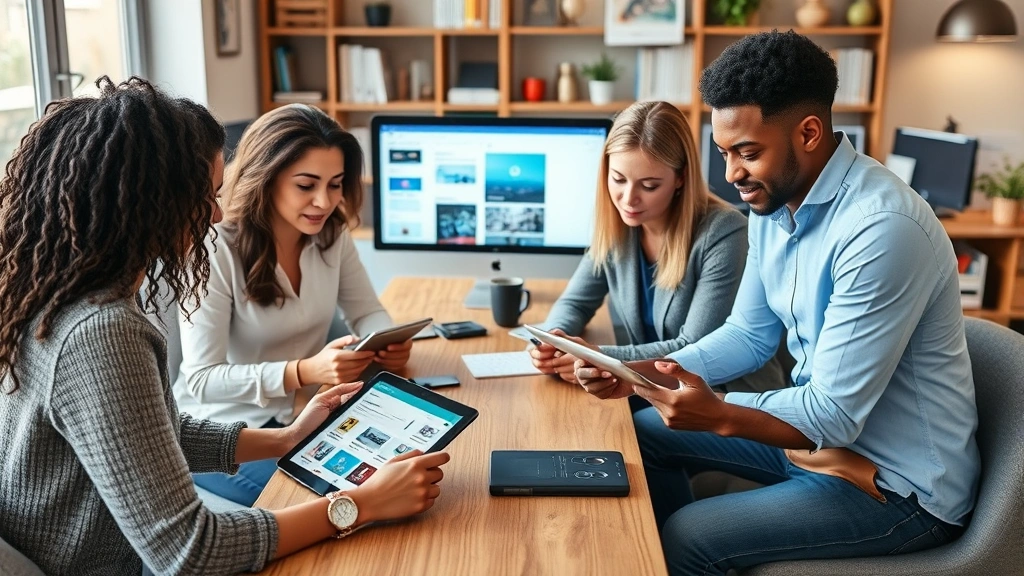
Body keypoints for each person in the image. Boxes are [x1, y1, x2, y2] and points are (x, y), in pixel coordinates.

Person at [0, 77, 448, 576]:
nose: (215, 212)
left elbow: (150, 435)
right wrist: (359, 505)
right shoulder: (102, 333)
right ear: (152, 199)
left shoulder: (54, 297)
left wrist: (286, 438)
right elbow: (190, 551)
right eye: (206, 195)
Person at [574, 32, 979, 575]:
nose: (731, 174)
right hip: (819, 447)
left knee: (691, 536)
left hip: (899, 487)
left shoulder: (881, 229)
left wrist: (718, 414)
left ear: (808, 133)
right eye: (723, 152)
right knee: (645, 434)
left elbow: (830, 415)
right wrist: (639, 372)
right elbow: (748, 334)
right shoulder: (772, 206)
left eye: (747, 152)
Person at [174, 104, 415, 506]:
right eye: (306, 185)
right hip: (225, 430)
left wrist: (386, 340)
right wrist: (302, 371)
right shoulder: (216, 246)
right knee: (338, 499)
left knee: (398, 463)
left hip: (305, 413)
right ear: (266, 180)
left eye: (335, 184)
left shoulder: (330, 236)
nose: (324, 201)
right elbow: (201, 378)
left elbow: (366, 310)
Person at [529, 101, 783, 400]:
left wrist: (597, 356)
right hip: (649, 387)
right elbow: (575, 302)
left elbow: (693, 346)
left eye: (649, 185)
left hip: (723, 398)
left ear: (680, 179)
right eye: (618, 179)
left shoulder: (725, 232)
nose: (628, 199)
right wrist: (553, 343)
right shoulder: (619, 224)